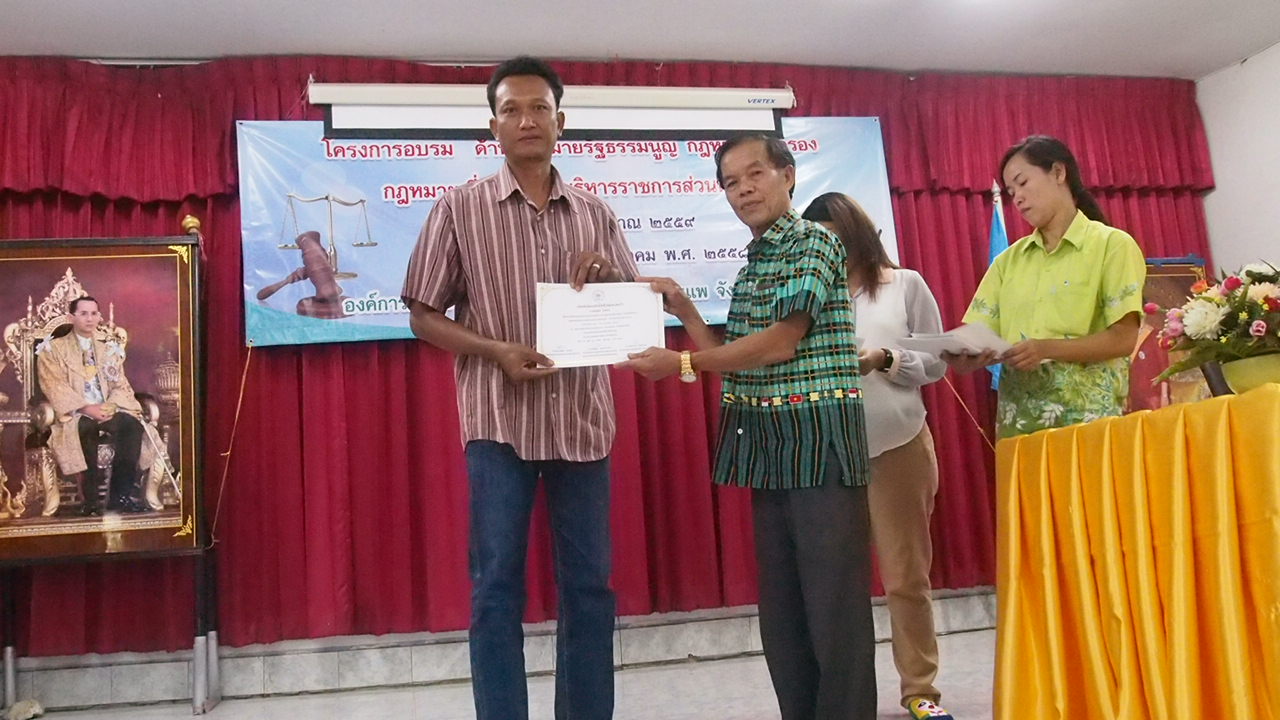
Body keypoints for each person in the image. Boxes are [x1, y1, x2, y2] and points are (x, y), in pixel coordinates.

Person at [400, 56, 638, 720]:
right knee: (496, 588)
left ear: (561, 122)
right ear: (493, 127)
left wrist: (610, 281)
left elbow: (632, 311)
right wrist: (496, 351)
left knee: (589, 589)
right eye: (512, 109)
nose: (527, 120)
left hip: (582, 423)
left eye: (539, 108)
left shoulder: (595, 213)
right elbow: (422, 315)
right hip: (498, 425)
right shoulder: (458, 209)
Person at [620, 134, 875, 720]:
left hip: (820, 445)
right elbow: (735, 358)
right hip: (768, 449)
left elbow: (780, 343)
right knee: (784, 619)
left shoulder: (815, 242)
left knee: (834, 615)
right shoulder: (753, 263)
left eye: (755, 174)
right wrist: (684, 309)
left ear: (788, 175)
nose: (744, 190)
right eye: (731, 183)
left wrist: (682, 362)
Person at [801, 193, 954, 720]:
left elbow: (937, 362)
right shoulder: (803, 296)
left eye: (835, 238)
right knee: (834, 586)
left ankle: (920, 690)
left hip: (897, 445)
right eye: (817, 241)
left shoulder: (903, 284)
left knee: (905, 577)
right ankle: (845, 697)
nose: (828, 250)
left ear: (857, 234)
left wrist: (885, 358)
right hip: (825, 456)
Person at [945, 135, 1145, 438]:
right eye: (1011, 192)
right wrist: (964, 354)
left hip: (1089, 426)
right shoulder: (1007, 261)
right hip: (1019, 429)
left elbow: (1123, 339)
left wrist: (1045, 349)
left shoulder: (1112, 245)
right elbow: (979, 333)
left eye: (1023, 183)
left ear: (1058, 173)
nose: (1018, 198)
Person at [36, 295, 151, 515]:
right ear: (71, 317)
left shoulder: (108, 350)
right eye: (83, 313)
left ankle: (120, 496)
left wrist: (112, 405)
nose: (90, 319)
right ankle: (90, 501)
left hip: (107, 409)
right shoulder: (53, 349)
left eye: (94, 313)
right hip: (74, 414)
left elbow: (120, 384)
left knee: (131, 426)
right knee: (86, 429)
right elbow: (53, 385)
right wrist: (86, 408)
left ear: (99, 317)